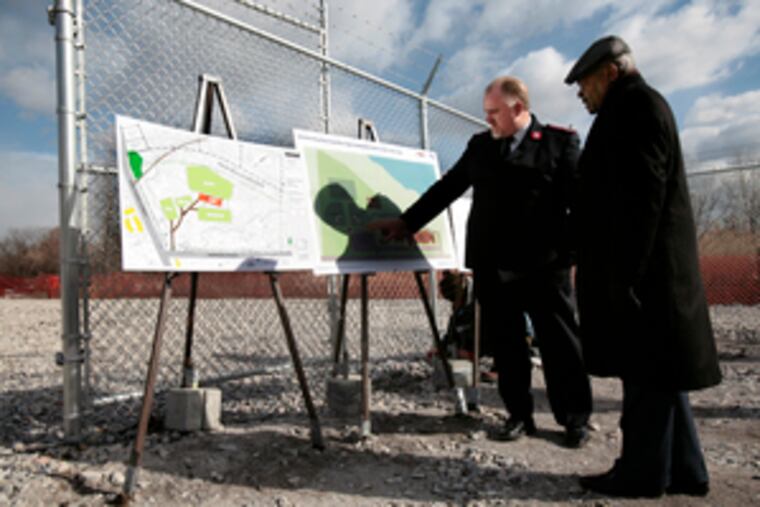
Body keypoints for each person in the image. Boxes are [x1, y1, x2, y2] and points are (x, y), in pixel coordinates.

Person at [368, 76, 593, 448]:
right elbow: (447, 188)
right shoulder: (480, 147)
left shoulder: (558, 143)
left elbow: (581, 204)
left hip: (544, 266)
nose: (487, 120)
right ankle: (519, 415)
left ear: (518, 108)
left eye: (493, 113)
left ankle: (573, 418)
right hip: (495, 266)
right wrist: (407, 222)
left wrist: (566, 253)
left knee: (560, 343)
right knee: (507, 346)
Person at [564, 36, 722, 497]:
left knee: (645, 378)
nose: (580, 92)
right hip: (647, 275)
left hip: (645, 278)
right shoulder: (634, 108)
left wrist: (624, 278)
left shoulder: (637, 109)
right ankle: (687, 471)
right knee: (663, 375)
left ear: (611, 73)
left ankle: (641, 475)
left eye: (585, 82)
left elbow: (641, 203)